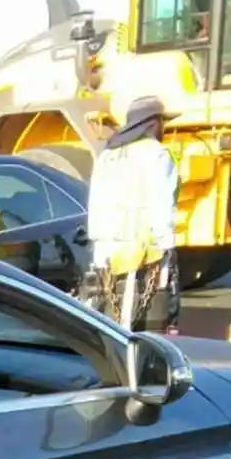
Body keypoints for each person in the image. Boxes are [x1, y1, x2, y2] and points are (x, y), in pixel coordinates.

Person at [83, 96, 182, 333]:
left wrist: (98, 255)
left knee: (109, 324)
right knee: (147, 327)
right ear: (151, 123)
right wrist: (168, 250)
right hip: (144, 255)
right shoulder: (157, 154)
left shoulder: (107, 155)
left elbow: (96, 204)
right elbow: (162, 206)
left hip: (107, 254)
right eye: (162, 122)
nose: (164, 128)